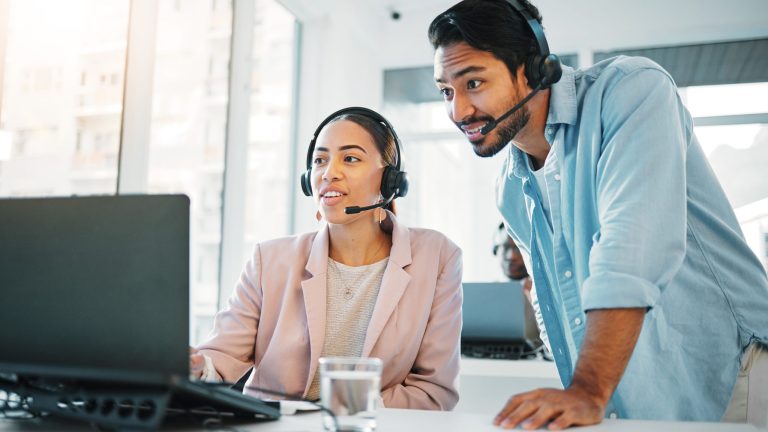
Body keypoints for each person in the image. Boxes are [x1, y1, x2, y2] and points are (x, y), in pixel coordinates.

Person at [429, 0, 768, 429]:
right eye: (446, 91)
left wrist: (588, 388)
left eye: (474, 83)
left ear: (533, 69)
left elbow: (631, 249)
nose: (458, 111)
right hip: (633, 395)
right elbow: (552, 300)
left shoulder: (631, 92)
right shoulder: (510, 187)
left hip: (730, 373)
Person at [190, 107, 463, 410]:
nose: (329, 173)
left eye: (350, 158)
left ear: (390, 180)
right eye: (320, 160)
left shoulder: (437, 256)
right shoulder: (269, 260)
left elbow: (433, 392)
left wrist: (341, 410)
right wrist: (197, 366)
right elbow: (219, 359)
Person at [493, 222, 542, 349]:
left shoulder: (544, 293)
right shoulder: (486, 295)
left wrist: (537, 300)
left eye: (518, 249)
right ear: (495, 250)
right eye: (505, 248)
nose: (512, 256)